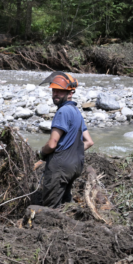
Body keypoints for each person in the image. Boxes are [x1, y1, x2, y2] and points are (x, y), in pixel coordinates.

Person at [37, 71, 94, 208]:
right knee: (65, 204)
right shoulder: (77, 112)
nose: (55, 94)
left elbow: (52, 144)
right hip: (75, 167)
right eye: (54, 91)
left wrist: (41, 154)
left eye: (60, 91)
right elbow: (89, 142)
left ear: (70, 93)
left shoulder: (62, 112)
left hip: (59, 167)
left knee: (51, 208)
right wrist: (71, 154)